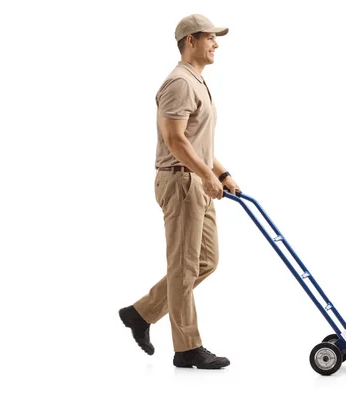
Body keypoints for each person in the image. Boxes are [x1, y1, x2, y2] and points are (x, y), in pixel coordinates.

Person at [119, 14, 240, 370]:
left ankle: (141, 313)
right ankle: (187, 348)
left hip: (198, 180)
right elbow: (174, 140)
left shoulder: (196, 82)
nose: (216, 43)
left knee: (205, 261)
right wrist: (205, 174)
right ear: (191, 40)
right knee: (184, 267)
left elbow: (196, 140)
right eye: (210, 38)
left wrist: (222, 172)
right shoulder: (179, 83)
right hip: (182, 182)